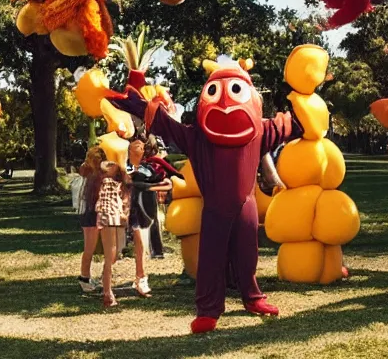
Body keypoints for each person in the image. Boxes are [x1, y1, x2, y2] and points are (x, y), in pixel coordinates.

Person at [110, 61, 303, 333]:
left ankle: (252, 297)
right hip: (214, 210)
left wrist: (306, 107)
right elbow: (163, 123)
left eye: (234, 91)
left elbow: (292, 125)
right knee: (211, 260)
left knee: (248, 256)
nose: (225, 102)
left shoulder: (258, 131)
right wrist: (134, 102)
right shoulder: (197, 137)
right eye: (216, 92)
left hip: (245, 207)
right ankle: (208, 309)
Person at [126, 139, 172, 298]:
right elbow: (130, 181)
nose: (139, 145)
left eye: (141, 145)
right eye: (135, 145)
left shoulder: (148, 168)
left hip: (145, 210)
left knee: (141, 244)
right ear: (130, 150)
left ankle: (141, 278)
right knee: (132, 245)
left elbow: (164, 183)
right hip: (130, 209)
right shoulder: (127, 166)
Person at [95, 160, 130, 308]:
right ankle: (108, 293)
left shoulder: (118, 184)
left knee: (113, 255)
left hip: (114, 218)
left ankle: (107, 288)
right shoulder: (108, 182)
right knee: (110, 256)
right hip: (109, 217)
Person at [77, 146, 107, 293]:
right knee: (90, 248)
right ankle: (84, 277)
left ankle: (86, 276)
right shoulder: (97, 176)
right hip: (92, 214)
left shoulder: (86, 171)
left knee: (88, 248)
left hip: (85, 212)